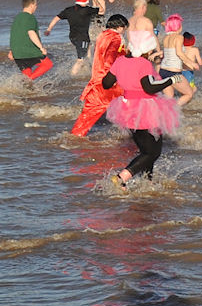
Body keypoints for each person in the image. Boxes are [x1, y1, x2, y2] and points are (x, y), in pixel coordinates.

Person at [102, 34, 180, 188]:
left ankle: (147, 183)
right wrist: (172, 80)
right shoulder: (143, 63)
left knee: (145, 150)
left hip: (126, 108)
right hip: (146, 110)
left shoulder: (120, 61)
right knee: (152, 152)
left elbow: (106, 83)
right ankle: (121, 178)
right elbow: (149, 87)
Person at [71, 14, 128, 136]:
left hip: (96, 79)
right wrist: (112, 78)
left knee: (87, 116)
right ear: (119, 27)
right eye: (124, 28)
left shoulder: (102, 35)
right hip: (109, 81)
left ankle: (74, 138)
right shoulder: (117, 38)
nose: (124, 31)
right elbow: (110, 59)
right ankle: (131, 136)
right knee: (131, 104)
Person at [46, 0, 101, 75]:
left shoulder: (69, 10)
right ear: (85, 2)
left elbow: (57, 18)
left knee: (88, 46)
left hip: (72, 37)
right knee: (80, 60)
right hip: (82, 38)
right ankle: (73, 75)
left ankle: (89, 66)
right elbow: (101, 9)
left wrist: (49, 29)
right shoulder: (87, 10)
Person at [8, 0, 52, 80]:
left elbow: (15, 34)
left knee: (27, 76)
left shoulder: (17, 18)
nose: (36, 7)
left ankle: (25, 89)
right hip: (28, 51)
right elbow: (31, 33)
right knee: (48, 64)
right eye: (36, 5)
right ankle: (28, 81)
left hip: (17, 53)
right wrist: (41, 48)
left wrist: (11, 50)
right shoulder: (30, 17)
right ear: (31, 5)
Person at [157, 15, 195, 106]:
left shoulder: (166, 38)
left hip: (163, 71)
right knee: (189, 94)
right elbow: (179, 53)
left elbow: (168, 52)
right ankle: (173, 109)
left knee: (169, 97)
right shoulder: (179, 37)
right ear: (178, 26)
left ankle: (165, 113)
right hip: (174, 73)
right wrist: (192, 63)